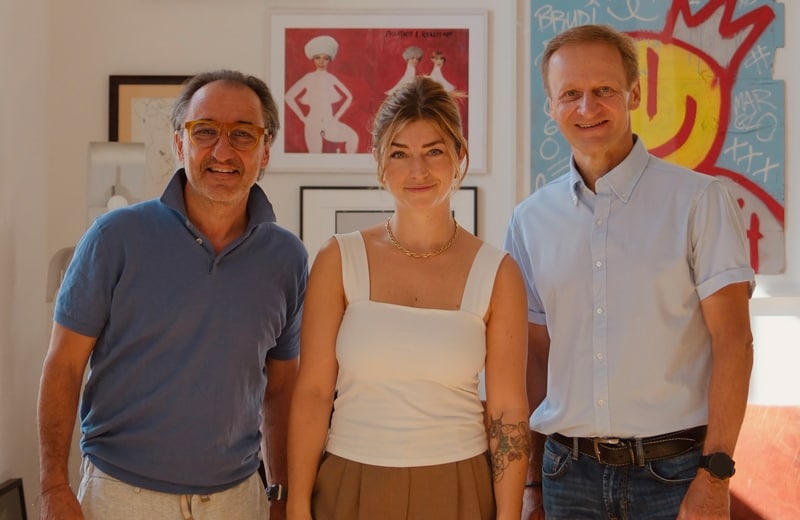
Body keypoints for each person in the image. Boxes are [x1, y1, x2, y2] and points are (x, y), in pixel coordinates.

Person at [505, 24, 755, 519]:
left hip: (677, 474)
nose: (587, 107)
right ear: (551, 105)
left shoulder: (699, 201)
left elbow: (735, 343)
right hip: (566, 476)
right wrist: (532, 480)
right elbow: (534, 357)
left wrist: (715, 475)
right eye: (570, 94)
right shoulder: (529, 221)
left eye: (604, 90)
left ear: (634, 94)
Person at [37, 69, 307, 520]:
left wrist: (280, 494)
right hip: (120, 498)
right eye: (205, 131)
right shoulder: (114, 237)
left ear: (266, 150)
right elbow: (63, 365)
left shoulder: (287, 258)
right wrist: (52, 486)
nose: (223, 151)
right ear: (179, 143)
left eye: (243, 134)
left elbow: (281, 390)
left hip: (238, 501)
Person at [286, 76, 530, 520]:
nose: (417, 171)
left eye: (433, 151)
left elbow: (507, 409)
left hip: (460, 486)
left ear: (459, 156)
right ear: (379, 162)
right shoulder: (338, 258)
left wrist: (509, 515)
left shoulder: (498, 272)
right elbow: (314, 392)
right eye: (399, 153)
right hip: (349, 483)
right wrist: (297, 505)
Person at [285, 35, 359, 154]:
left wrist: (336, 117)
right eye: (317, 57)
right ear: (313, 59)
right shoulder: (308, 78)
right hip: (312, 124)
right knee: (315, 157)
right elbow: (288, 96)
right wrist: (302, 118)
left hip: (329, 124)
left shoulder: (331, 78)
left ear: (330, 60)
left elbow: (349, 97)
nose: (321, 62)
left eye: (325, 58)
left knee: (353, 137)